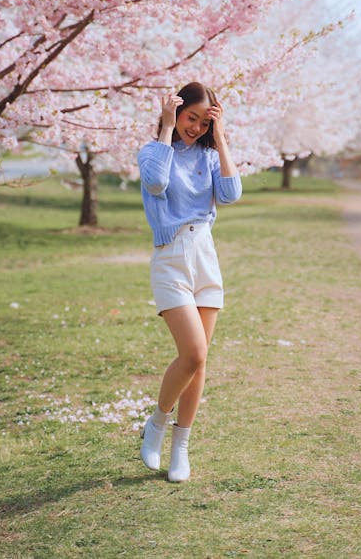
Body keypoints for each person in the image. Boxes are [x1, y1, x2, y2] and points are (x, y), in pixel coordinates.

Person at [137, 81, 242, 482]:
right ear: (177, 112)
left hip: (205, 257)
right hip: (171, 258)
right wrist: (165, 128)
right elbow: (156, 184)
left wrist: (222, 138)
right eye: (190, 118)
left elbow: (231, 195)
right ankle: (158, 423)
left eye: (203, 121)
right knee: (194, 354)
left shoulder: (210, 156)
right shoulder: (152, 151)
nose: (195, 127)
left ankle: (181, 447)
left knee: (200, 363)